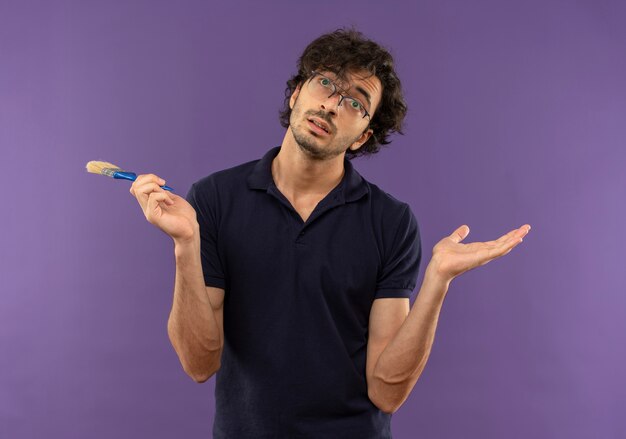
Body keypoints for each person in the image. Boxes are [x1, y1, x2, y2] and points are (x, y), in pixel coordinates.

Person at [130, 28, 531, 439]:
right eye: (325, 83)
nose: (332, 105)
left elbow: (386, 392)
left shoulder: (390, 222)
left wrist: (438, 281)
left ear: (362, 136)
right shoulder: (214, 198)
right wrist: (185, 244)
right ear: (295, 93)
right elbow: (199, 364)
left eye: (355, 102)